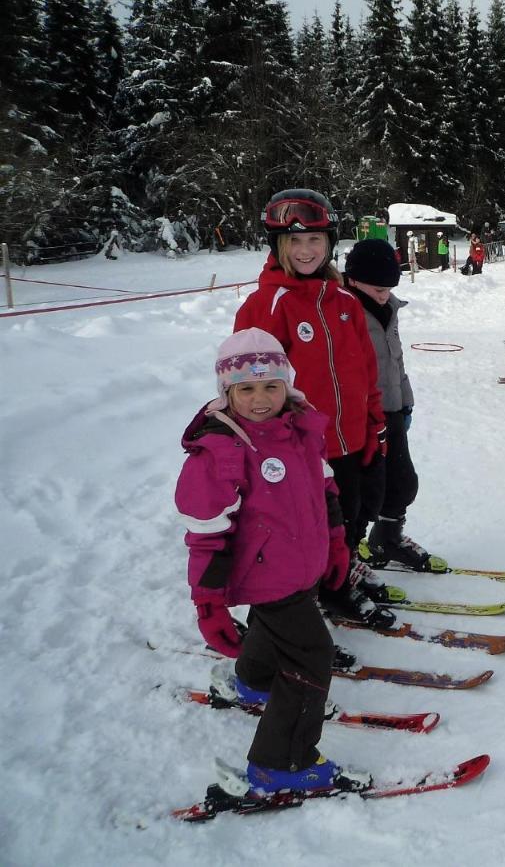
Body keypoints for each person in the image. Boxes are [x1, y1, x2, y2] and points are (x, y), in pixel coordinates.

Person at [176, 328, 370, 797]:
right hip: (265, 574)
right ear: (227, 392)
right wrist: (209, 604)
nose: (260, 398)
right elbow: (207, 535)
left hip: (299, 566)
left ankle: (254, 680)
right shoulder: (220, 451)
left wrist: (337, 542)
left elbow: (324, 490)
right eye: (246, 388)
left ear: (287, 384)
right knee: (311, 655)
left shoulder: (300, 428)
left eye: (270, 385)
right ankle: (281, 763)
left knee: (275, 625)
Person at [233, 189, 394, 630]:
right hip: (305, 451)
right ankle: (318, 597)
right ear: (278, 246)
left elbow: (366, 372)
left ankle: (340, 578)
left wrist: (375, 426)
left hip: (353, 439)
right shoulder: (266, 305)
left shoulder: (344, 302)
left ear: (329, 244)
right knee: (317, 529)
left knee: (358, 513)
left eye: (315, 241)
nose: (305, 252)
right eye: (294, 243)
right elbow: (249, 393)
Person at [341, 239, 435, 574]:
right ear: (353, 279)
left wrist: (406, 402)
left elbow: (395, 359)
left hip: (392, 410)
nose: (384, 294)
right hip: (362, 419)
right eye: (378, 288)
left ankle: (386, 539)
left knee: (404, 483)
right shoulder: (343, 312)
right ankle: (347, 558)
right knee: (364, 496)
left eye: (389, 287)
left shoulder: (390, 309)